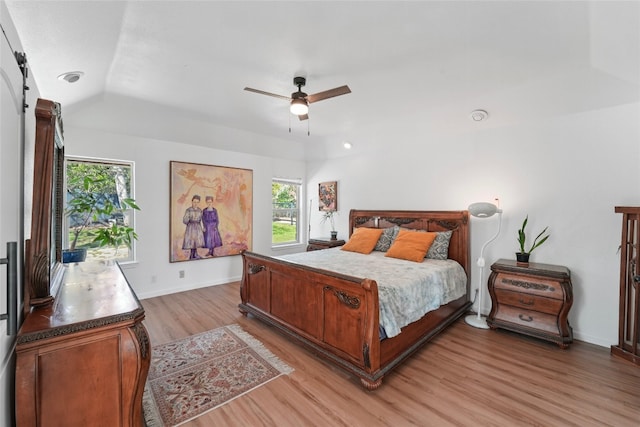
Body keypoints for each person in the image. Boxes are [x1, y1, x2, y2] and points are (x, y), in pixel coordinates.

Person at [182, 195, 205, 259]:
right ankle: (192, 255)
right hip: (191, 227)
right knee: (191, 241)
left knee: (196, 241)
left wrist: (203, 227)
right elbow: (184, 220)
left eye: (197, 202)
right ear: (192, 202)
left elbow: (201, 220)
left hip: (198, 227)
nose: (195, 203)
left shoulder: (200, 210)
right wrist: (189, 221)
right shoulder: (188, 210)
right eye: (194, 202)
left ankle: (195, 254)